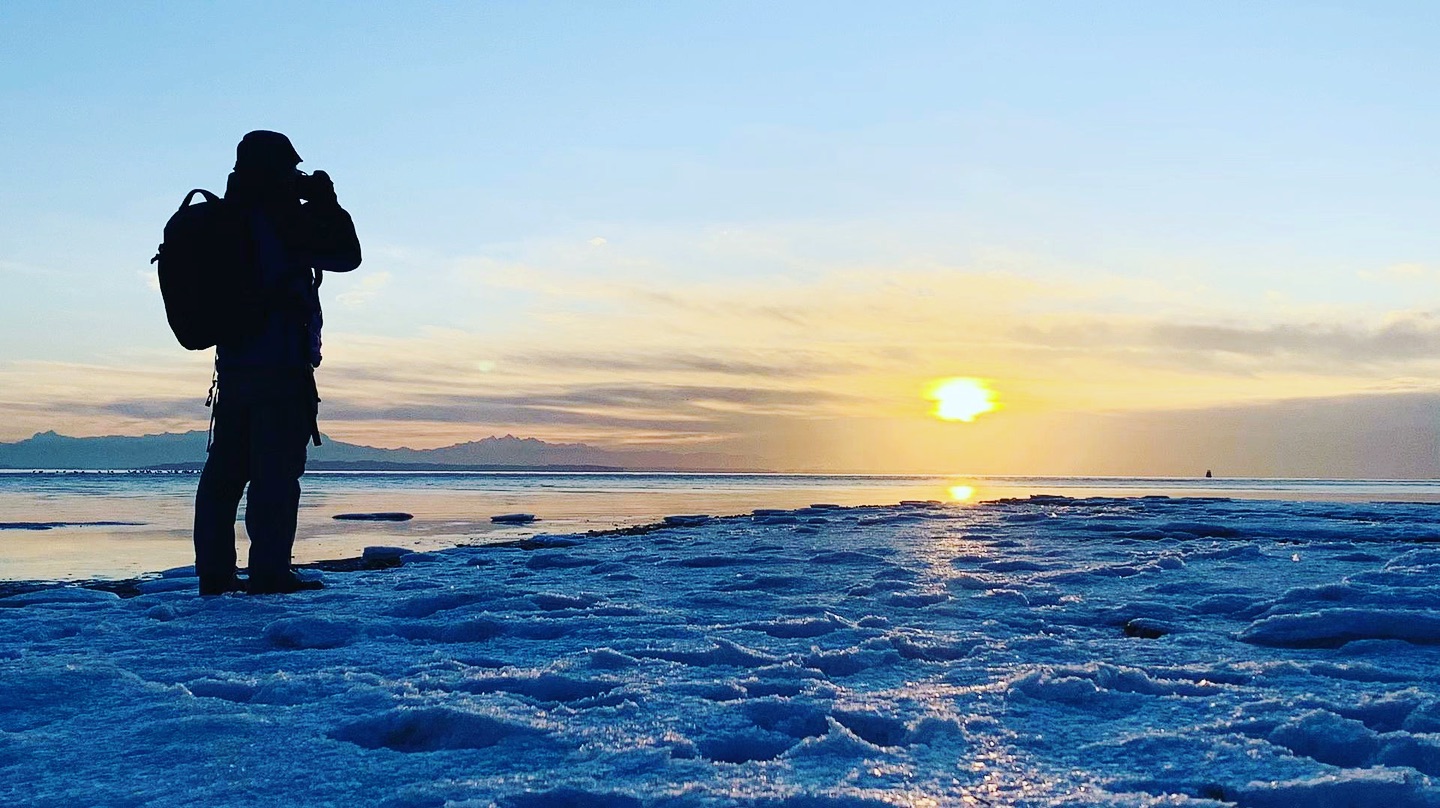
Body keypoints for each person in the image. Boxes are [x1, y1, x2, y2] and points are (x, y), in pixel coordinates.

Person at [193, 130, 361, 595]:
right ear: (276, 170)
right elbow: (349, 254)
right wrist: (326, 201)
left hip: (235, 368)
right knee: (276, 476)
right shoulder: (283, 217)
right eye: (290, 168)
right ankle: (268, 572)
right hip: (280, 366)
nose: (296, 176)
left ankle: (214, 575)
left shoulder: (226, 217)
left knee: (225, 475)